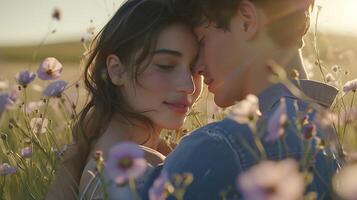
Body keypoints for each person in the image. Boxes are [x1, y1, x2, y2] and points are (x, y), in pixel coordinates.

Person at [141, 0, 344, 199]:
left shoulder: (222, 144)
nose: (197, 67)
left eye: (202, 41)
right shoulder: (331, 138)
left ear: (246, 21)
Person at [45, 0, 202, 199]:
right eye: (165, 65)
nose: (189, 86)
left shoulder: (100, 155)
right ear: (117, 70)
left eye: (196, 69)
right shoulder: (132, 171)